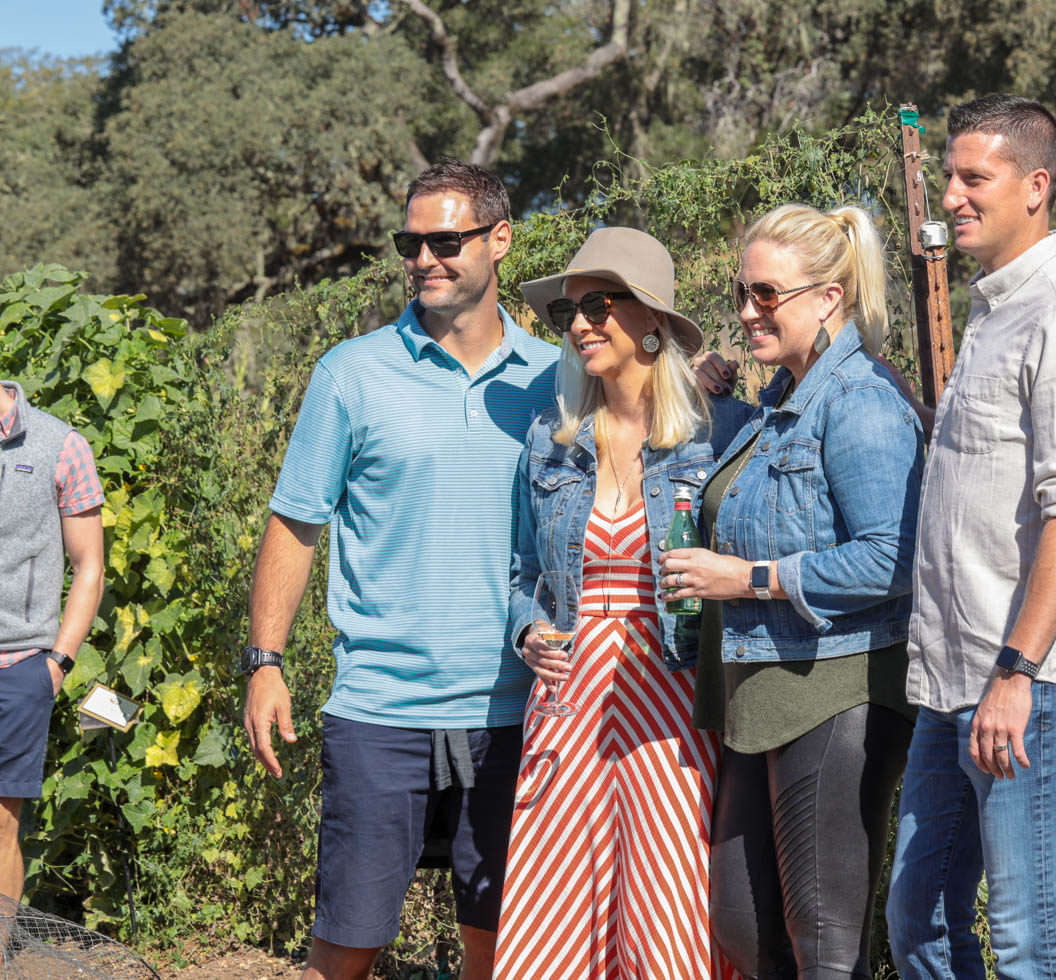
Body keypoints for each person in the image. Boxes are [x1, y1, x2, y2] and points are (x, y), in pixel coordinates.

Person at [239, 160, 558, 980]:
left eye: (444, 240)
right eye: (409, 242)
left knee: (503, 948)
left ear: (500, 239)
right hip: (382, 710)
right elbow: (296, 522)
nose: (423, 258)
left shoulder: (558, 380)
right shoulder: (351, 372)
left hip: (521, 713)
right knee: (347, 945)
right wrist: (265, 663)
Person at [884, 94, 1056, 980]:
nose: (948, 194)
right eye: (947, 175)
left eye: (970, 177)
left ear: (1035, 187)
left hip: (1029, 682)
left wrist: (1017, 674)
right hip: (955, 679)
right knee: (917, 926)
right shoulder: (993, 316)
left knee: (1028, 939)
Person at [660, 202, 925, 979]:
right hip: (764, 687)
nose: (747, 312)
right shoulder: (781, 400)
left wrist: (747, 580)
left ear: (828, 297)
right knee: (742, 926)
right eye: (743, 293)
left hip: (836, 685)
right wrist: (721, 397)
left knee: (825, 943)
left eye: (766, 296)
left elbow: (894, 557)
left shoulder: (860, 401)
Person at [495, 227, 748, 979]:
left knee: (665, 915)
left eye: (599, 304)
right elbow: (520, 572)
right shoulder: (551, 438)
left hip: (669, 695)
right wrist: (528, 631)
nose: (579, 324)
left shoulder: (712, 438)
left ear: (654, 321)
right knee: (556, 921)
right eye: (568, 312)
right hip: (567, 702)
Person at [0, 380, 105, 908]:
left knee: (0, 826)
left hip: (17, 666)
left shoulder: (60, 446)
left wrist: (57, 663)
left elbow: (90, 565)